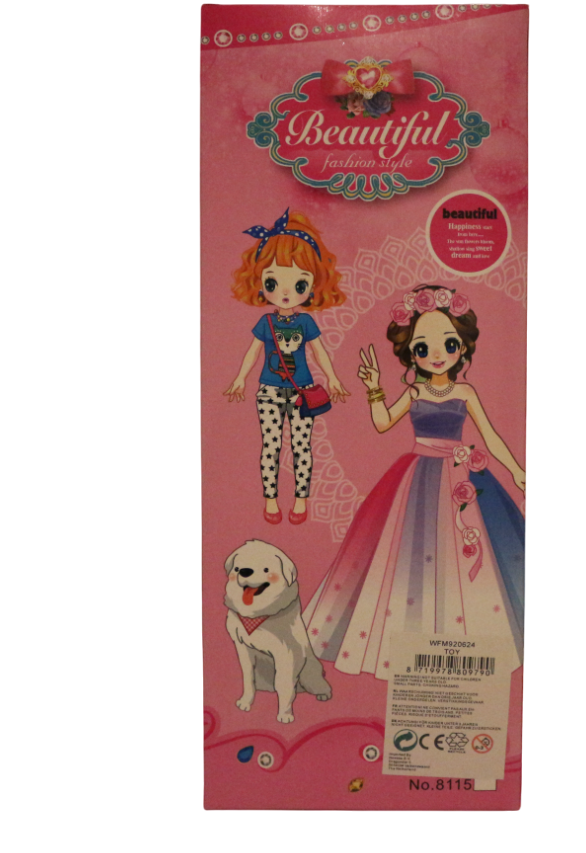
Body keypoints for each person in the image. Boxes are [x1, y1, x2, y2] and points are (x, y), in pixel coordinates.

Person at [301, 285, 526, 677]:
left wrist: (518, 472)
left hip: (462, 478)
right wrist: (374, 387)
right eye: (423, 348)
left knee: (469, 556)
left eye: (448, 344)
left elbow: (490, 437)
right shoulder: (414, 391)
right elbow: (383, 423)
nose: (436, 354)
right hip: (417, 478)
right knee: (408, 554)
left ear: (462, 348)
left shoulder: (465, 391)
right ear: (411, 353)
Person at [223, 209, 350, 524]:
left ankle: (300, 500)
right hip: (268, 392)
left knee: (301, 447)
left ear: (314, 284)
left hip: (302, 392)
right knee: (271, 446)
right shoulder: (265, 322)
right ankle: (270, 500)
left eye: (299, 284)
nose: (284, 292)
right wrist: (240, 379)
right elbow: (253, 352)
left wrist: (333, 379)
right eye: (273, 281)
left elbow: (319, 352)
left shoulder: (306, 322)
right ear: (260, 282)